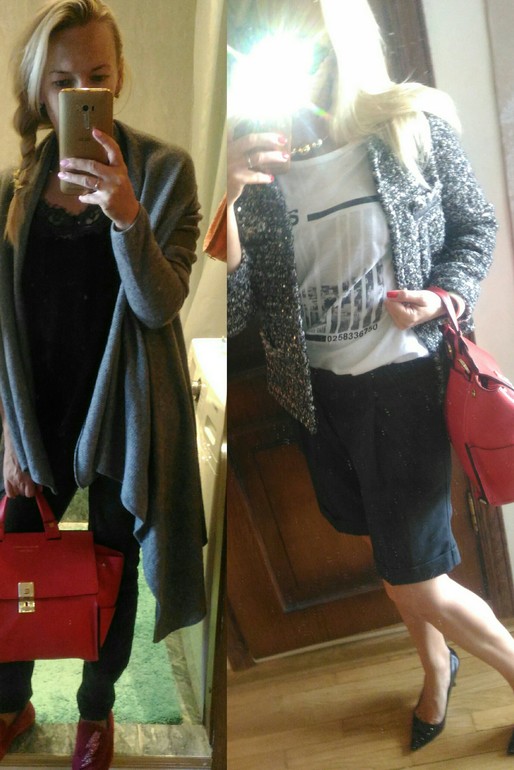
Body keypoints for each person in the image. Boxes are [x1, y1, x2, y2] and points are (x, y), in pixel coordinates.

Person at [227, 0, 514, 755]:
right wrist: (224, 197)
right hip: (317, 400)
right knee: (391, 560)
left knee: (416, 573)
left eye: (313, 40)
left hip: (406, 389)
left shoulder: (409, 125)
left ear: (343, 37)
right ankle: (437, 667)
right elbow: (233, 309)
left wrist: (445, 297)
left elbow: (476, 227)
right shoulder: (251, 162)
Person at [0, 1, 206, 767]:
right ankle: (11, 703)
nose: (81, 92)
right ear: (38, 89)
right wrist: (8, 436)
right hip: (36, 415)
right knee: (16, 571)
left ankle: (96, 713)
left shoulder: (165, 172)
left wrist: (125, 215)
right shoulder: (12, 188)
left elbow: (159, 305)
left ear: (120, 78)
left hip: (125, 412)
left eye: (97, 76)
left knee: (110, 576)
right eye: (63, 81)